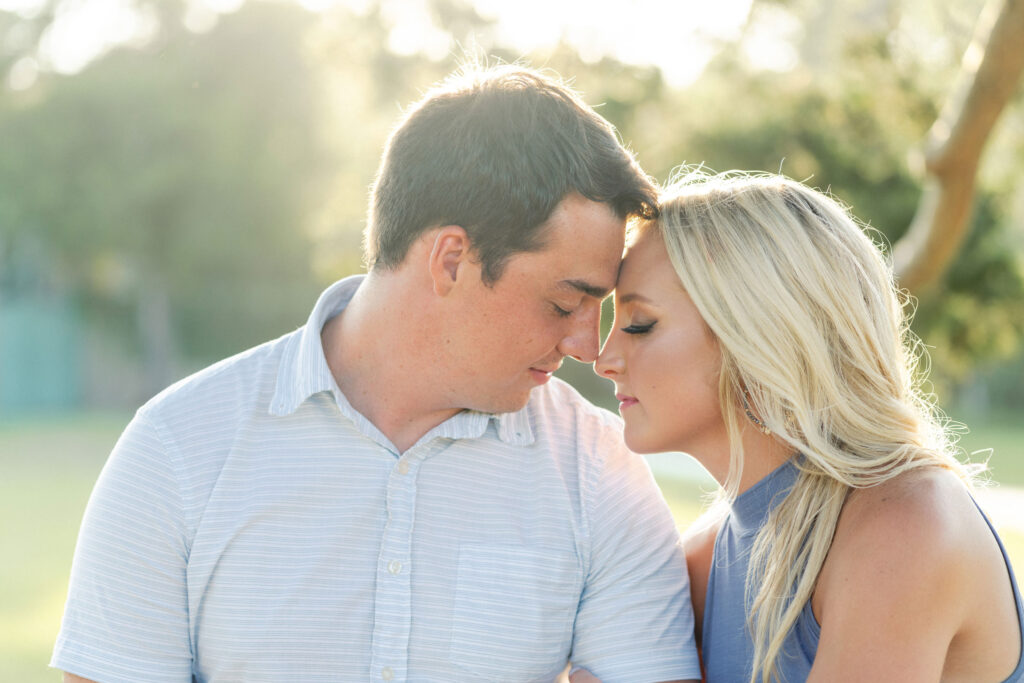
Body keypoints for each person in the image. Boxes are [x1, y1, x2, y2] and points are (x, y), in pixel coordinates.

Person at [51, 65, 702, 683]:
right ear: (451, 260)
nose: (588, 345)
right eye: (564, 303)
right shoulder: (177, 448)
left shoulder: (598, 471)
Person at [593, 170, 1024, 682]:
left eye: (639, 325)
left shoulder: (906, 524)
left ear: (759, 335)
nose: (604, 360)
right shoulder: (700, 563)